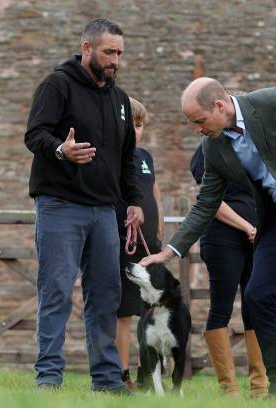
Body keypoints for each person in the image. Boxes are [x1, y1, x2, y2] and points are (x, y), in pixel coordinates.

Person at [142, 77, 276, 399]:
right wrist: (168, 252)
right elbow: (206, 202)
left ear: (220, 106)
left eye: (199, 120)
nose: (197, 129)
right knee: (256, 296)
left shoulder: (273, 102)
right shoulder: (214, 146)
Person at [24, 17, 144, 393]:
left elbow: (127, 158)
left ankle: (107, 380)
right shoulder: (57, 85)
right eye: (109, 52)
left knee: (106, 295)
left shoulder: (120, 100)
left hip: (105, 212)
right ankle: (48, 379)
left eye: (120, 53)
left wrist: (135, 202)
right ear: (87, 48)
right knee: (57, 292)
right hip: (61, 206)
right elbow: (34, 134)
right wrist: (62, 149)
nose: (116, 61)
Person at [190, 142, 268, 398]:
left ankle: (259, 386)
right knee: (221, 308)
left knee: (255, 306)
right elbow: (212, 201)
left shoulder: (257, 149)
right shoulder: (207, 150)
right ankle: (229, 388)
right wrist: (247, 227)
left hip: (258, 238)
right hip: (223, 237)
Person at [114, 97, 164, 389]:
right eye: (130, 124)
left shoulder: (145, 157)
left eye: (139, 125)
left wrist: (159, 229)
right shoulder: (111, 158)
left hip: (150, 246)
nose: (136, 130)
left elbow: (154, 193)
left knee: (152, 310)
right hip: (122, 243)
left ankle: (149, 374)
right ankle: (123, 375)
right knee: (123, 312)